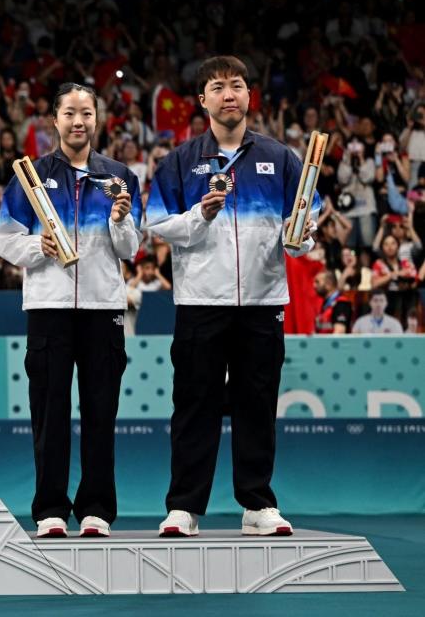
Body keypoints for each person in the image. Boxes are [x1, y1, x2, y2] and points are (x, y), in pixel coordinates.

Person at [145, 56, 319, 539]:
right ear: (202, 100)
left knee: (257, 403)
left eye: (237, 86)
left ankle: (258, 503)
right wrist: (199, 214)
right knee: (194, 404)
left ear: (249, 95)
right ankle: (184, 507)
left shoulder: (280, 157)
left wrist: (299, 236)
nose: (229, 94)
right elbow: (156, 225)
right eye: (218, 87)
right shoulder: (180, 161)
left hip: (264, 302)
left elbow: (307, 224)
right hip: (202, 301)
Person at [0, 82, 141, 538]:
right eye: (70, 114)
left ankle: (97, 509)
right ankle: (50, 511)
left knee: (101, 412)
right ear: (54, 120)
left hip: (103, 307)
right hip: (49, 307)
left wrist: (119, 220)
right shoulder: (30, 175)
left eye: (87, 114)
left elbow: (131, 248)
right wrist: (35, 246)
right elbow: (5, 239)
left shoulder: (120, 176)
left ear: (98, 120)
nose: (79, 122)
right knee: (50, 412)